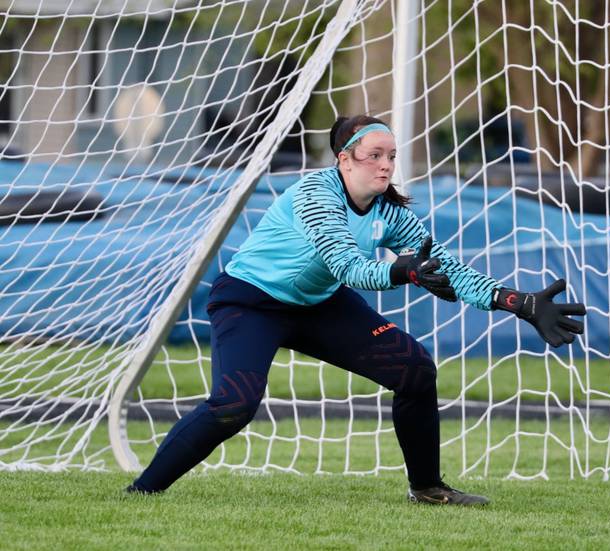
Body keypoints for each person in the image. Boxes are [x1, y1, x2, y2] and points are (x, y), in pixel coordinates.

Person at [126, 114, 586, 506]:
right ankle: (142, 493)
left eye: (391, 155)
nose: (386, 165)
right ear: (344, 159)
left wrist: (517, 302)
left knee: (415, 371)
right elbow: (347, 265)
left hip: (319, 304)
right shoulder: (315, 194)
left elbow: (446, 268)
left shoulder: (392, 212)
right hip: (251, 301)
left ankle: (427, 489)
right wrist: (404, 272)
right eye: (374, 155)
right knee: (234, 405)